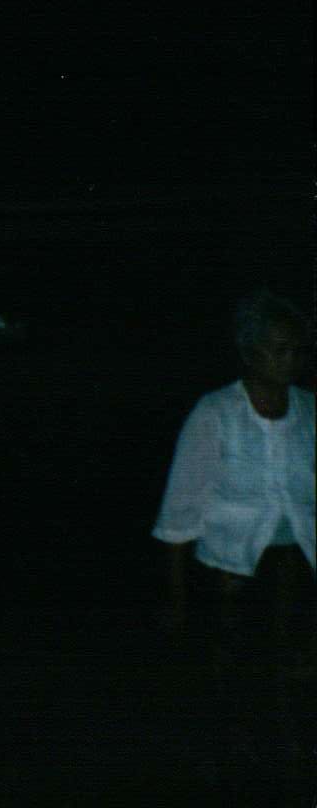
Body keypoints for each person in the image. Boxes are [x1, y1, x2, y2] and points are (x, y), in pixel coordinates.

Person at [151, 289, 314, 802]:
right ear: (250, 352)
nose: (291, 360)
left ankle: (286, 767)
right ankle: (227, 769)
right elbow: (179, 512)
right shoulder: (216, 412)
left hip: (295, 565)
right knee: (232, 677)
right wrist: (176, 596)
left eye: (297, 350)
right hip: (229, 569)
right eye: (278, 349)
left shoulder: (309, 411)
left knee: (289, 672)